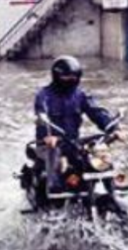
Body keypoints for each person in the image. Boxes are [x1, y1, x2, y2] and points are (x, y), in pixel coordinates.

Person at [34, 56, 122, 192]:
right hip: (50, 143)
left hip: (73, 142)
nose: (71, 80)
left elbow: (96, 111)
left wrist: (113, 128)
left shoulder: (81, 95)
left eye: (74, 77)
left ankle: (112, 187)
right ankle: (53, 188)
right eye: (66, 77)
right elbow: (41, 115)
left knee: (100, 144)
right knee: (54, 153)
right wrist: (48, 135)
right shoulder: (44, 95)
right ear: (57, 76)